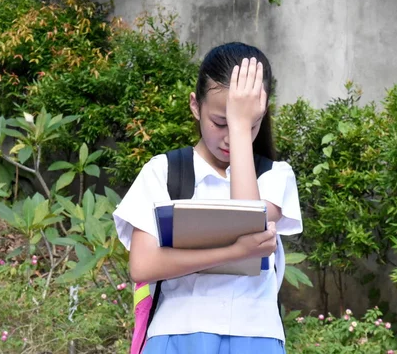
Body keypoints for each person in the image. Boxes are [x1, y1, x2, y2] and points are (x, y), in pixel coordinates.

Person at [113, 42, 302, 354]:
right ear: (195, 105)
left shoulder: (273, 176)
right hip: (176, 333)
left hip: (255, 336)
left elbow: (247, 224)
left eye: (248, 124)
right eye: (220, 122)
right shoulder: (164, 172)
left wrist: (240, 125)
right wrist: (232, 251)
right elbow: (143, 266)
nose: (230, 137)